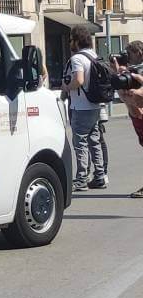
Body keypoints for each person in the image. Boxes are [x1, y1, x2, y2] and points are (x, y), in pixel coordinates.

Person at [61, 25, 107, 190]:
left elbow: (79, 80)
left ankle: (81, 179)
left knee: (80, 142)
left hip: (81, 107)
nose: (69, 42)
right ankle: (100, 176)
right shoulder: (93, 55)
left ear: (77, 40)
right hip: (95, 105)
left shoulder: (77, 59)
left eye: (71, 39)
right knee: (94, 140)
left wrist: (66, 88)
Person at [112, 41, 143, 197]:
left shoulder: (139, 71)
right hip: (136, 115)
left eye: (130, 54)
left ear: (138, 52)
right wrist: (119, 73)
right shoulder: (132, 70)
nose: (128, 58)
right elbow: (124, 94)